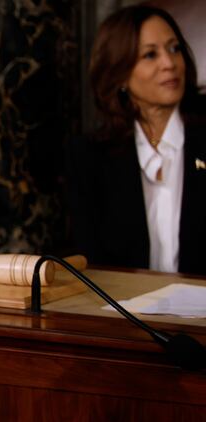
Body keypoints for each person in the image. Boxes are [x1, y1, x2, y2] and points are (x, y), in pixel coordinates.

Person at [66, 4, 206, 275]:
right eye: (150, 55)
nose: (169, 63)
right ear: (120, 75)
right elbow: (91, 261)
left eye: (174, 48)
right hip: (123, 311)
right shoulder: (90, 155)